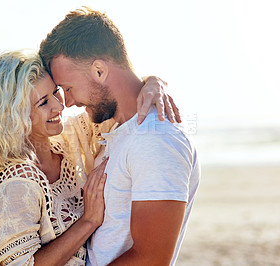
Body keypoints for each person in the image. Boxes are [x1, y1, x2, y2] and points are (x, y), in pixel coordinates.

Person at [0, 49, 179, 265]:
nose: (59, 106)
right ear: (14, 117)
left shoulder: (72, 140)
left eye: (56, 92)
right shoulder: (18, 181)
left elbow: (117, 100)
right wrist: (88, 221)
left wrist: (153, 82)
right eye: (43, 103)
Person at [39, 7, 201, 266]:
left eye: (68, 88)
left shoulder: (155, 140)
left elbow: (151, 259)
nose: (67, 102)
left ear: (99, 71)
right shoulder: (114, 130)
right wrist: (153, 80)